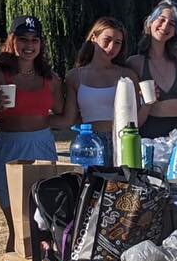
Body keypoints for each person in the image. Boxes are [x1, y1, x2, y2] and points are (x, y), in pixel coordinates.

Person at [0, 16, 63, 261]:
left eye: (35, 40)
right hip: (9, 149)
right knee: (19, 226)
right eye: (23, 39)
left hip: (42, 146)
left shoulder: (51, 79)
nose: (29, 46)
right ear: (12, 41)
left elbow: (64, 114)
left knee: (44, 224)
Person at [53, 17, 143, 163]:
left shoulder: (128, 76)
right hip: (89, 144)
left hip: (122, 142)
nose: (111, 47)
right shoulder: (75, 76)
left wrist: (150, 103)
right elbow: (69, 118)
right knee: (90, 185)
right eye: (107, 40)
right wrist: (36, 121)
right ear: (94, 38)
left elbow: (137, 119)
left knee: (122, 185)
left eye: (117, 43)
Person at [127, 0, 177, 138]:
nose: (165, 26)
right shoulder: (135, 63)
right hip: (151, 129)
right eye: (162, 19)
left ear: (175, 31)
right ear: (151, 21)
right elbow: (130, 112)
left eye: (172, 24)